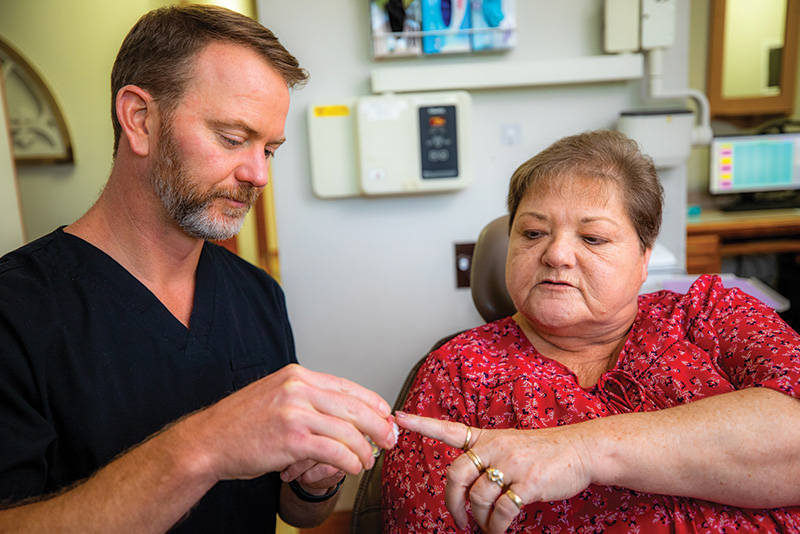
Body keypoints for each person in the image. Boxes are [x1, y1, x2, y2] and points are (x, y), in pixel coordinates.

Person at [0, 5, 397, 533]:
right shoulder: (17, 311)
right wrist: (206, 444)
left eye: (270, 150)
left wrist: (315, 480)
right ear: (140, 119)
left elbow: (298, 513)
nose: (257, 174)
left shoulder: (257, 295)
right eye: (233, 139)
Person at [382, 130, 800, 533]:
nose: (557, 254)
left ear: (643, 258)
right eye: (532, 233)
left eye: (593, 237)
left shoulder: (710, 313)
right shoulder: (457, 372)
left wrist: (581, 450)